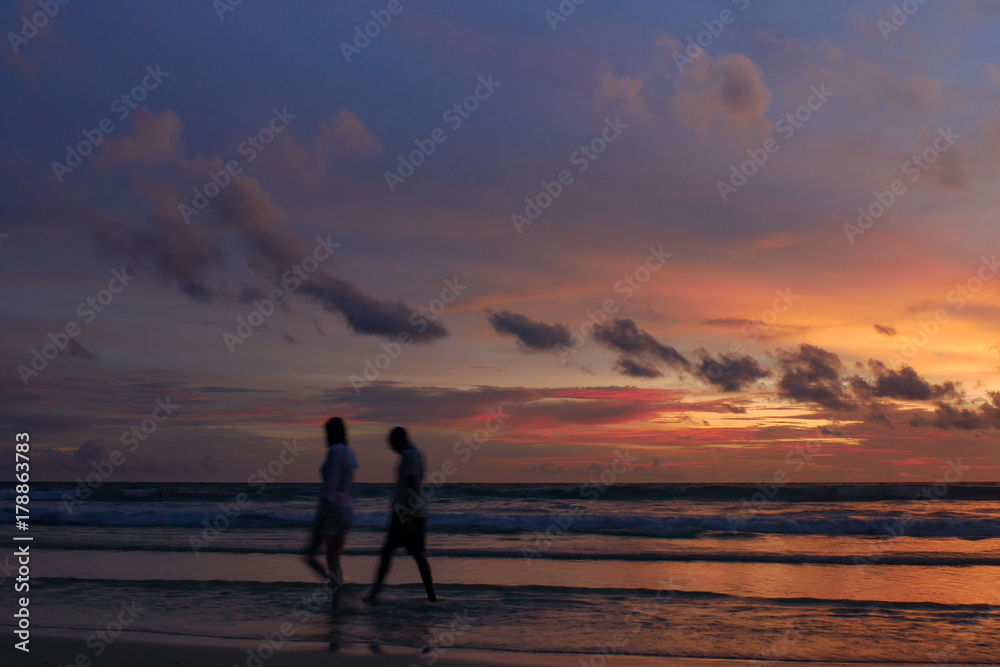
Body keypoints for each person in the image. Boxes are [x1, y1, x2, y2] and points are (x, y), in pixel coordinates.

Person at [365, 426, 436, 604]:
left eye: (392, 444)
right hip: (417, 512)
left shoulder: (408, 456)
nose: (391, 448)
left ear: (398, 441)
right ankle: (431, 596)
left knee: (389, 552)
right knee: (418, 555)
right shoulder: (418, 453)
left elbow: (412, 486)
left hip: (406, 514)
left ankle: (374, 595)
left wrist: (409, 518)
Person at [303, 417, 358, 608]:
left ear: (332, 433)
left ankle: (337, 590)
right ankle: (337, 599)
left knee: (309, 556)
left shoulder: (334, 452)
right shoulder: (350, 453)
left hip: (332, 508)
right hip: (346, 509)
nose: (324, 437)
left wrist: (324, 516)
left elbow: (330, 486)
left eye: (326, 433)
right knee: (333, 558)